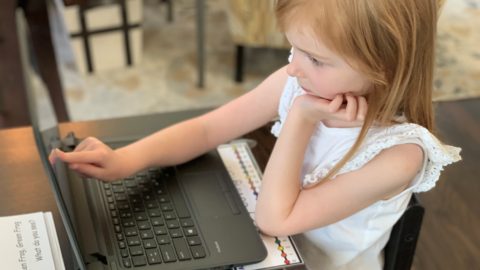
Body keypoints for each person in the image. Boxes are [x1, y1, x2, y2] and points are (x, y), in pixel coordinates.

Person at [50, 0, 461, 269]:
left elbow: (275, 219)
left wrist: (300, 121)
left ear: (382, 67)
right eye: (293, 47)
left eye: (315, 58)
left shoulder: (400, 155)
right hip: (271, 247)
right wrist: (126, 160)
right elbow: (209, 127)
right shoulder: (300, 82)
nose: (295, 67)